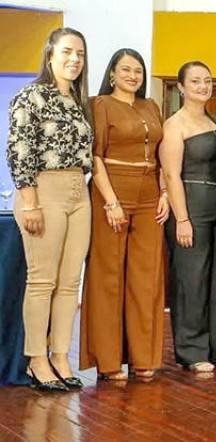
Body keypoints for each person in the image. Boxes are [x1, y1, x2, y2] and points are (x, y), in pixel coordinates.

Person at [6, 27, 92, 391]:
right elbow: (19, 150)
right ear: (50, 55)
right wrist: (30, 202)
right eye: (68, 52)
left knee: (70, 283)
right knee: (42, 281)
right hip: (43, 190)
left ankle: (59, 355)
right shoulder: (31, 96)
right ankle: (35, 360)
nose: (74, 59)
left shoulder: (78, 100)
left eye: (81, 54)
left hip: (79, 191)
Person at [80, 48, 170, 380]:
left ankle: (143, 358)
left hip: (150, 194)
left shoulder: (151, 106)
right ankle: (108, 362)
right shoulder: (99, 105)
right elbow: (96, 156)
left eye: (138, 71)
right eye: (126, 70)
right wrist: (110, 202)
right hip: (112, 190)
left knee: (146, 278)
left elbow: (162, 155)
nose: (133, 76)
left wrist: (165, 194)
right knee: (108, 277)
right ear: (113, 74)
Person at [160, 61, 216, 373]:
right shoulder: (174, 125)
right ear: (181, 87)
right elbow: (171, 175)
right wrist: (183, 219)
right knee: (192, 280)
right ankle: (190, 350)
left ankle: (215, 348)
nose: (203, 86)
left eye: (207, 80)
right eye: (196, 81)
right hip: (191, 207)